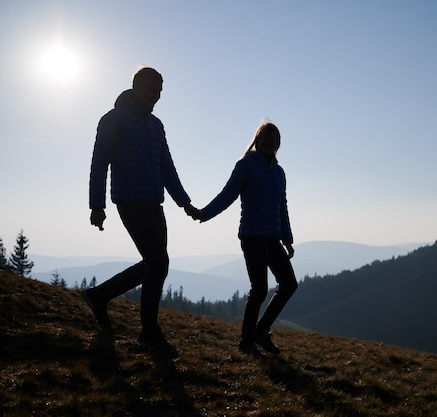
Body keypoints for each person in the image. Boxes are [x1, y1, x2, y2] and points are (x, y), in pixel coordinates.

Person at [84, 67, 199, 355]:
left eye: (160, 90)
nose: (156, 95)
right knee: (157, 262)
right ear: (135, 87)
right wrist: (96, 206)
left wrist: (184, 202)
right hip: (130, 200)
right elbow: (99, 164)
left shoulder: (156, 125)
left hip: (153, 201)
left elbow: (167, 167)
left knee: (156, 264)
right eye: (152, 89)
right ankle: (149, 333)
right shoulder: (113, 120)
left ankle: (99, 296)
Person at [197, 120, 298, 357]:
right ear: (257, 140)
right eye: (265, 138)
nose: (269, 143)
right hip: (252, 236)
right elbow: (228, 194)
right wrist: (205, 213)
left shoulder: (279, 172)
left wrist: (288, 238)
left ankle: (260, 331)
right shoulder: (246, 166)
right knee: (260, 289)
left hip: (272, 238)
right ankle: (246, 341)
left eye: (273, 140)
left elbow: (281, 206)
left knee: (289, 284)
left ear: (278, 144)